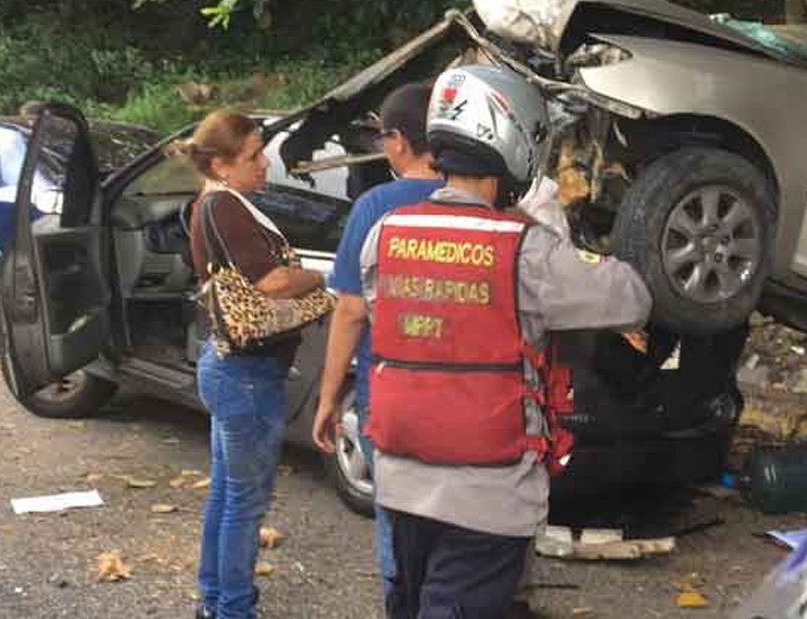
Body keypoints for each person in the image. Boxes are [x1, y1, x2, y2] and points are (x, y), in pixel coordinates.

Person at [361, 65, 652, 619]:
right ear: (513, 140)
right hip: (486, 493)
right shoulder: (525, 251)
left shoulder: (386, 234)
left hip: (402, 478)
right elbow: (630, 299)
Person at [176, 110, 325, 619]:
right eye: (254, 156)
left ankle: (215, 602)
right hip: (247, 376)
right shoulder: (225, 207)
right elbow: (273, 283)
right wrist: (318, 276)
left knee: (227, 496)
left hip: (230, 369)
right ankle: (234, 610)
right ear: (221, 164)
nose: (266, 163)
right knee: (244, 503)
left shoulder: (220, 203)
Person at [310, 82, 443, 599]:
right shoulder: (483, 201)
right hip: (466, 397)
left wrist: (326, 399)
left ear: (399, 142)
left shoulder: (376, 207)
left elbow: (349, 312)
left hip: (390, 399)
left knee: (397, 521)